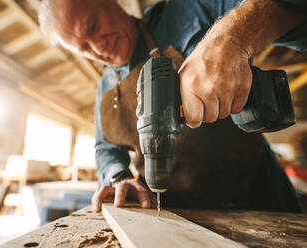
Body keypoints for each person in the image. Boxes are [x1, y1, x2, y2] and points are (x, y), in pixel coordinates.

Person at [39, 0, 307, 213]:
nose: (97, 48)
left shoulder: (189, 11)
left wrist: (233, 36)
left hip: (255, 195)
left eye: (93, 26)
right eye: (83, 48)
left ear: (111, 3)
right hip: (170, 211)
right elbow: (105, 149)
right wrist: (118, 177)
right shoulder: (104, 89)